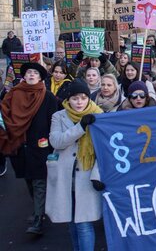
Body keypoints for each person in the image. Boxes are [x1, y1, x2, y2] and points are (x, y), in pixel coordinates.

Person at [0, 62, 58, 235]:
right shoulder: (13, 94)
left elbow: (52, 121)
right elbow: (5, 114)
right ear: (24, 76)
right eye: (28, 72)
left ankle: (38, 219)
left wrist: (52, 144)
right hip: (19, 143)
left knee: (39, 181)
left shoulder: (47, 96)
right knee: (28, 179)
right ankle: (38, 208)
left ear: (40, 77)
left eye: (35, 73)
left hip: (40, 146)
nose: (31, 75)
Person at [47, 80, 103, 250]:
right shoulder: (59, 116)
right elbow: (56, 141)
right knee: (70, 221)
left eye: (83, 98)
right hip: (65, 176)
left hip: (86, 175)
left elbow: (103, 151)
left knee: (83, 223)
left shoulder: (99, 115)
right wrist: (81, 126)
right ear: (68, 99)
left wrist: (98, 175)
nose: (79, 102)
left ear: (88, 98)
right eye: (75, 98)